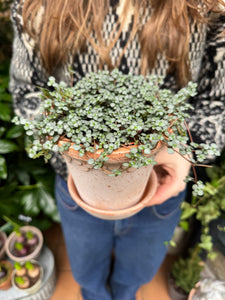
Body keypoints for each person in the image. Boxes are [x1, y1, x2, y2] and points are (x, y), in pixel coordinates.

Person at [9, 0, 225, 299]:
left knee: (137, 274)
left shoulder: (205, 6)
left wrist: (184, 153)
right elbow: (26, 94)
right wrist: (72, 141)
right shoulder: (36, 6)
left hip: (160, 183)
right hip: (79, 188)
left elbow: (216, 104)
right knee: (86, 274)